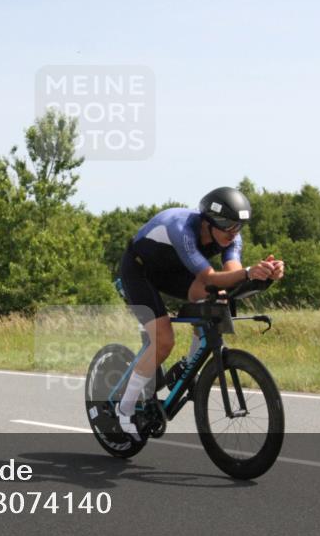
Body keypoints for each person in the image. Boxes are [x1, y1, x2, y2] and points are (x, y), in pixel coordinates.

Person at [115, 187, 285, 440]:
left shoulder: (231, 237)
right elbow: (210, 276)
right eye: (227, 225)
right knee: (164, 341)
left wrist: (266, 274)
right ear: (208, 221)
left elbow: (231, 276)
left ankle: (188, 365)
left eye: (238, 226)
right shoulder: (181, 229)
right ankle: (124, 409)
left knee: (215, 299)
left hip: (174, 272)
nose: (233, 233)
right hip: (140, 272)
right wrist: (250, 272)